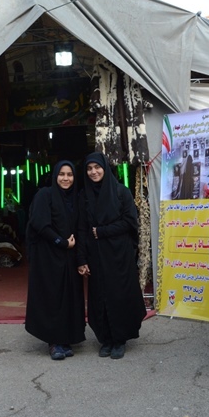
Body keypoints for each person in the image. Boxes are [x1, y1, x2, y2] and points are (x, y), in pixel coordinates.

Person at [77, 151, 146, 359]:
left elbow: (130, 222)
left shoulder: (121, 192)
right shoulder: (84, 196)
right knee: (99, 296)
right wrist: (81, 259)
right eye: (89, 168)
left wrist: (102, 231)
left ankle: (120, 339)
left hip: (119, 255)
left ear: (105, 168)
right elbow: (81, 228)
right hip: (96, 255)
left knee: (119, 294)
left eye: (97, 167)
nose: (93, 172)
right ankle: (105, 339)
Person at [24, 160, 86, 360]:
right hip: (48, 257)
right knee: (52, 297)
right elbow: (39, 223)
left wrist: (79, 257)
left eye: (70, 174)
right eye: (62, 174)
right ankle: (54, 342)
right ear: (55, 176)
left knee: (69, 297)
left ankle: (65, 338)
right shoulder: (45, 195)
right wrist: (61, 242)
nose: (66, 178)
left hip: (68, 258)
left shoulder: (76, 199)